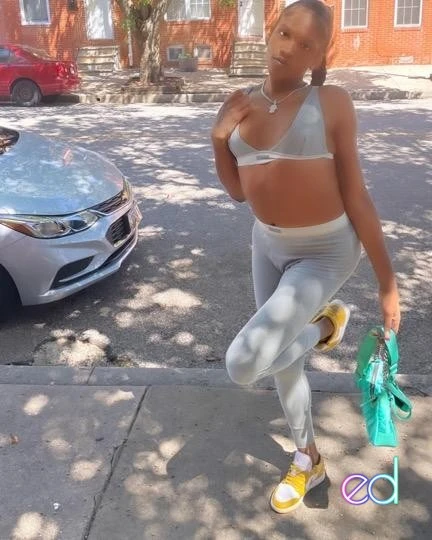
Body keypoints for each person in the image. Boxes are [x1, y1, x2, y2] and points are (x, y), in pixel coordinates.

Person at [211, 0, 401, 514]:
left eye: (306, 44)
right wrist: (218, 138)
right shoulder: (239, 103)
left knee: (244, 363)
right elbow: (237, 192)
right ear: (270, 32)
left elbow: (356, 194)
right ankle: (308, 459)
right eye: (284, 33)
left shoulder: (331, 102)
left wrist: (387, 283)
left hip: (325, 250)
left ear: (320, 56)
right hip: (267, 244)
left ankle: (323, 326)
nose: (289, 48)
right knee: (284, 366)